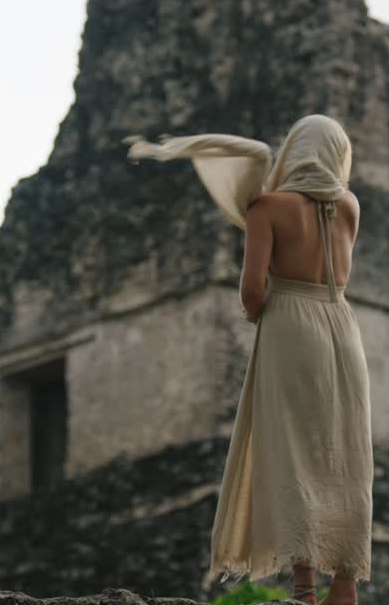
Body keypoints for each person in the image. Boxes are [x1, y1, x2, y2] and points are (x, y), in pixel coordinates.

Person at [123, 114, 373, 605]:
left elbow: (253, 290)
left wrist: (262, 311)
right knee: (345, 455)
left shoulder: (268, 206)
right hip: (342, 327)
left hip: (291, 324)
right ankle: (345, 586)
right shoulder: (349, 205)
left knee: (293, 451)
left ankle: (304, 590)